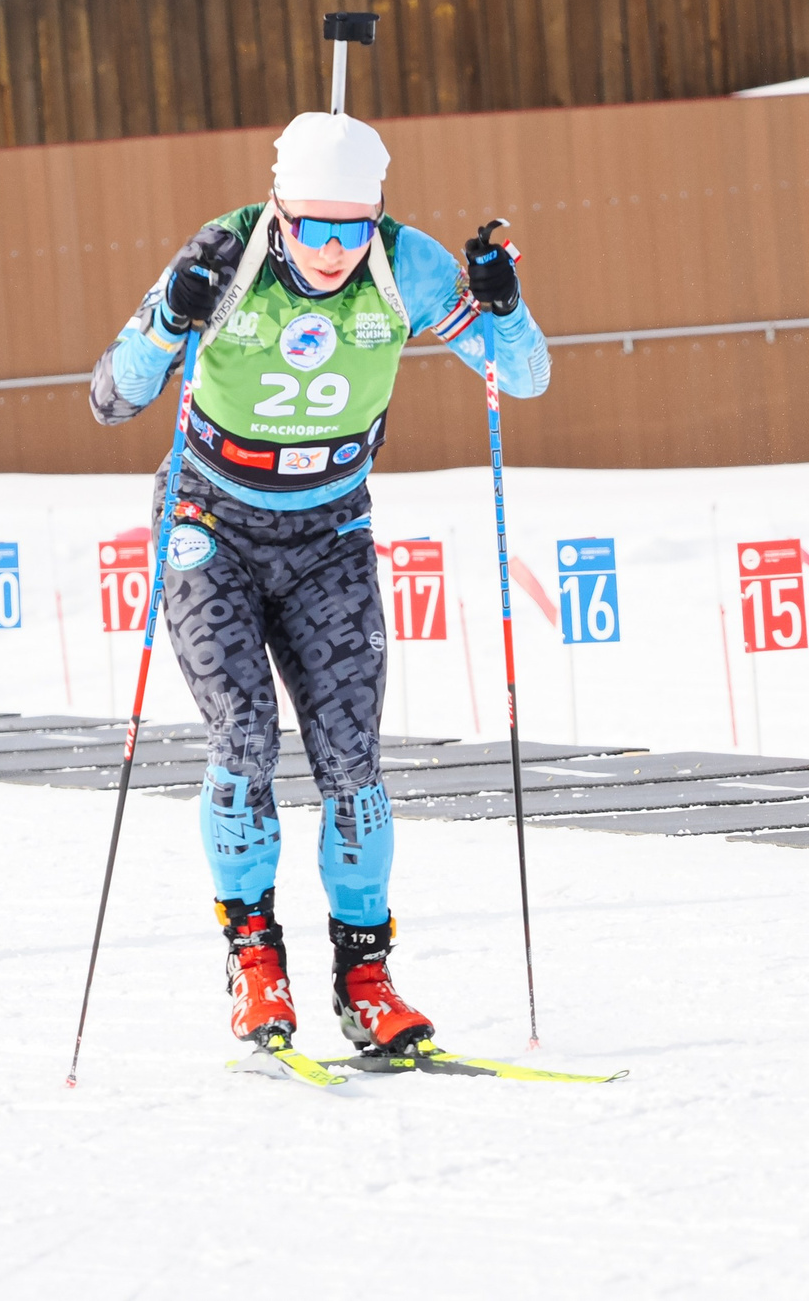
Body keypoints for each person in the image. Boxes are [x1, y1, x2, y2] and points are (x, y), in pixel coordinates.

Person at [88, 110, 549, 1057]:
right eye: (313, 228)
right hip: (210, 522)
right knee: (244, 733)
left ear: (376, 214)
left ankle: (365, 979)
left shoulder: (407, 265)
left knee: (353, 761)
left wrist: (504, 305)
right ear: (280, 210)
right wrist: (171, 314)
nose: (334, 251)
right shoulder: (223, 253)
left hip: (330, 530)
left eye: (352, 228)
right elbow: (112, 398)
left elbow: (524, 376)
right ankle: (255, 964)